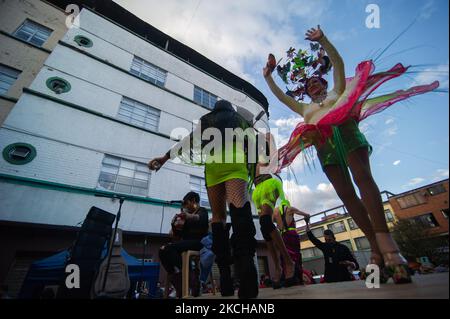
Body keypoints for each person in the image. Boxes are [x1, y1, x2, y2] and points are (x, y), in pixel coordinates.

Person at [263, 25, 439, 284]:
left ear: (323, 82)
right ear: (305, 91)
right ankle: (376, 249)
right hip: (325, 145)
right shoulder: (304, 109)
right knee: (346, 194)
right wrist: (268, 77)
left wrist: (323, 39)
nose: (312, 84)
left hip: (346, 131)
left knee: (363, 179)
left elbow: (338, 62)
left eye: (316, 80)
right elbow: (280, 97)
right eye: (308, 84)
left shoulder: (338, 92)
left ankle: (389, 248)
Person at [149, 100, 259, 299]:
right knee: (238, 208)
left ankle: (225, 278)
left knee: (218, 218)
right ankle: (246, 267)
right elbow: (252, 147)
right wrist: (253, 173)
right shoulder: (240, 119)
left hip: (213, 167)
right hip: (234, 162)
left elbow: (188, 141)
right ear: (230, 109)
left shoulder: (206, 120)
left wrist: (165, 158)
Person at [251, 133, 298, 288]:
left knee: (265, 221)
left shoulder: (269, 149)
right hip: (258, 188)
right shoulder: (254, 155)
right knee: (265, 229)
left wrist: (255, 133)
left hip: (270, 184)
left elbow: (269, 137)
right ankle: (277, 267)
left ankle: (288, 261)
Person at [158, 191, 209, 298]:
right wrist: (174, 225)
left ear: (194, 201)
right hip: (185, 243)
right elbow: (177, 236)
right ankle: (182, 282)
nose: (185, 206)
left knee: (169, 249)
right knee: (163, 250)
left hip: (198, 242)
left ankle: (189, 281)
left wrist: (188, 216)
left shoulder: (202, 211)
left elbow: (201, 219)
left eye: (187, 203)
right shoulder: (186, 217)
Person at [273, 199, 310, 285]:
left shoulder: (276, 211)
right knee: (296, 255)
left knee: (284, 255)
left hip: (282, 236)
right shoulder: (290, 209)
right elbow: (306, 214)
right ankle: (297, 278)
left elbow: (272, 222)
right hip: (292, 234)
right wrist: (307, 218)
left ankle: (286, 277)